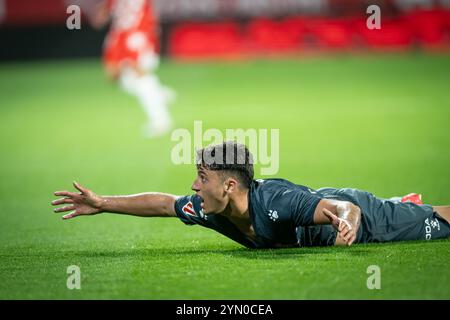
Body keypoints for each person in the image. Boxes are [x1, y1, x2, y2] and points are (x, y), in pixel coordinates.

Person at [51, 141, 450, 248]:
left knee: (441, 221)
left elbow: (341, 208)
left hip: (363, 221)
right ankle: (403, 203)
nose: (193, 187)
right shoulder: (211, 208)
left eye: (201, 178)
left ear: (229, 185)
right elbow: (162, 203)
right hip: (333, 215)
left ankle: (403, 209)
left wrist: (349, 219)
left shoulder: (274, 199)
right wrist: (102, 203)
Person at [85, 0, 175, 137]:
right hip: (119, 35)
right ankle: (157, 94)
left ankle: (161, 122)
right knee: (113, 75)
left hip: (139, 31)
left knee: (140, 75)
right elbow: (101, 17)